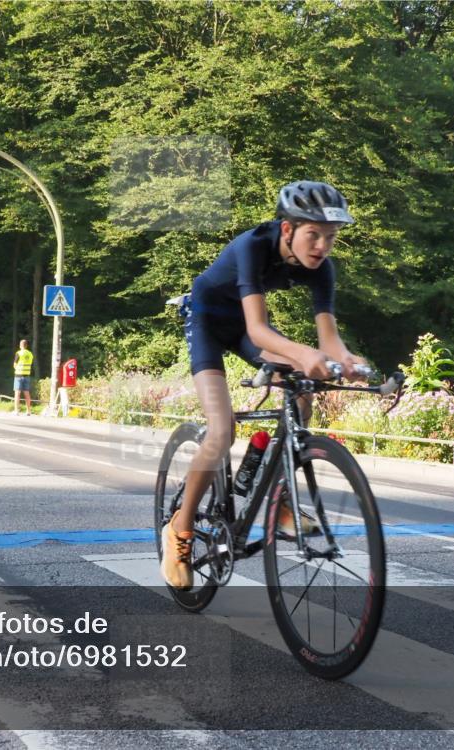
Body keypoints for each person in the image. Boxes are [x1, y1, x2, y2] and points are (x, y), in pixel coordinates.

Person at [161, 180, 368, 589]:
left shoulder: (322, 268)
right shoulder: (252, 247)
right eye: (314, 235)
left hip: (245, 328)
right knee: (221, 431)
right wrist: (304, 355)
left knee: (302, 391)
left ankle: (280, 499)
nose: (322, 247)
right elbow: (258, 330)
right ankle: (179, 533)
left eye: (330, 237)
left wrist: (348, 361)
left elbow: (330, 341)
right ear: (287, 230)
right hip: (207, 319)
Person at [12, 339, 33, 415]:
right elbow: (30, 363)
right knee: (27, 393)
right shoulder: (30, 354)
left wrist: (17, 368)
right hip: (27, 375)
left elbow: (15, 364)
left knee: (17, 393)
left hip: (18, 375)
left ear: (20, 345)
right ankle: (28, 411)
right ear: (26, 345)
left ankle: (16, 411)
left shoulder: (19, 353)